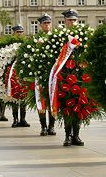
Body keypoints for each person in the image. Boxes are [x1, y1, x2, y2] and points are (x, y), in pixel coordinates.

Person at [60, 8, 84, 146]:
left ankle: (77, 135)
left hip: (79, 76)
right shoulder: (61, 37)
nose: (72, 22)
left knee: (79, 104)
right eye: (70, 20)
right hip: (65, 75)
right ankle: (67, 135)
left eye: (75, 20)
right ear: (65, 21)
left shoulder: (82, 35)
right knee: (66, 106)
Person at [36, 13, 56, 136]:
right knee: (41, 101)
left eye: (48, 23)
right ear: (40, 25)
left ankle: (51, 126)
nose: (47, 25)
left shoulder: (56, 37)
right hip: (40, 74)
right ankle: (43, 126)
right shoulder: (35, 39)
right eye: (44, 23)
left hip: (53, 74)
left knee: (52, 100)